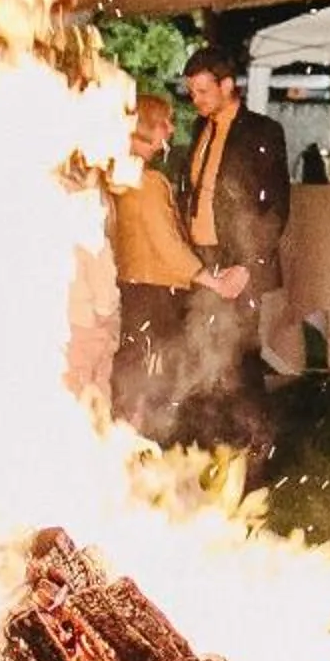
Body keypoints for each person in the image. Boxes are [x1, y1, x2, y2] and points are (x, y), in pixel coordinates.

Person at [177, 45, 290, 457]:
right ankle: (214, 443)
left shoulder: (262, 131)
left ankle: (255, 447)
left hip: (238, 259)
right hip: (201, 257)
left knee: (240, 354)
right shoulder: (200, 128)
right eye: (192, 92)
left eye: (203, 91)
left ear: (227, 85)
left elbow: (275, 205)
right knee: (202, 352)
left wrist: (248, 264)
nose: (196, 100)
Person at [106, 92, 213, 445]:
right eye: (164, 122)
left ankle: (126, 443)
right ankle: (144, 446)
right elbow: (166, 243)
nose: (171, 129)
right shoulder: (147, 183)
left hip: (129, 287)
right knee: (151, 376)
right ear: (146, 127)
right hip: (155, 291)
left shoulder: (117, 175)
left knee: (131, 371)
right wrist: (206, 277)